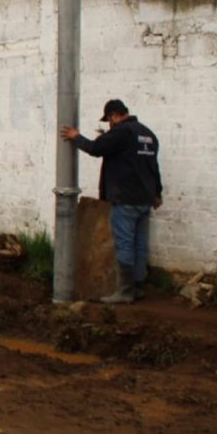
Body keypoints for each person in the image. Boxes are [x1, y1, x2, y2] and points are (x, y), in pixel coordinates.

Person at [60, 99, 163, 304]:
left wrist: (75, 137)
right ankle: (137, 287)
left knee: (125, 243)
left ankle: (124, 292)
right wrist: (157, 192)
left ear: (114, 115)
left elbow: (95, 148)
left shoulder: (122, 132)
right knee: (139, 244)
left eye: (109, 120)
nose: (109, 124)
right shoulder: (148, 134)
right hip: (145, 199)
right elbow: (153, 166)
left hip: (125, 199)